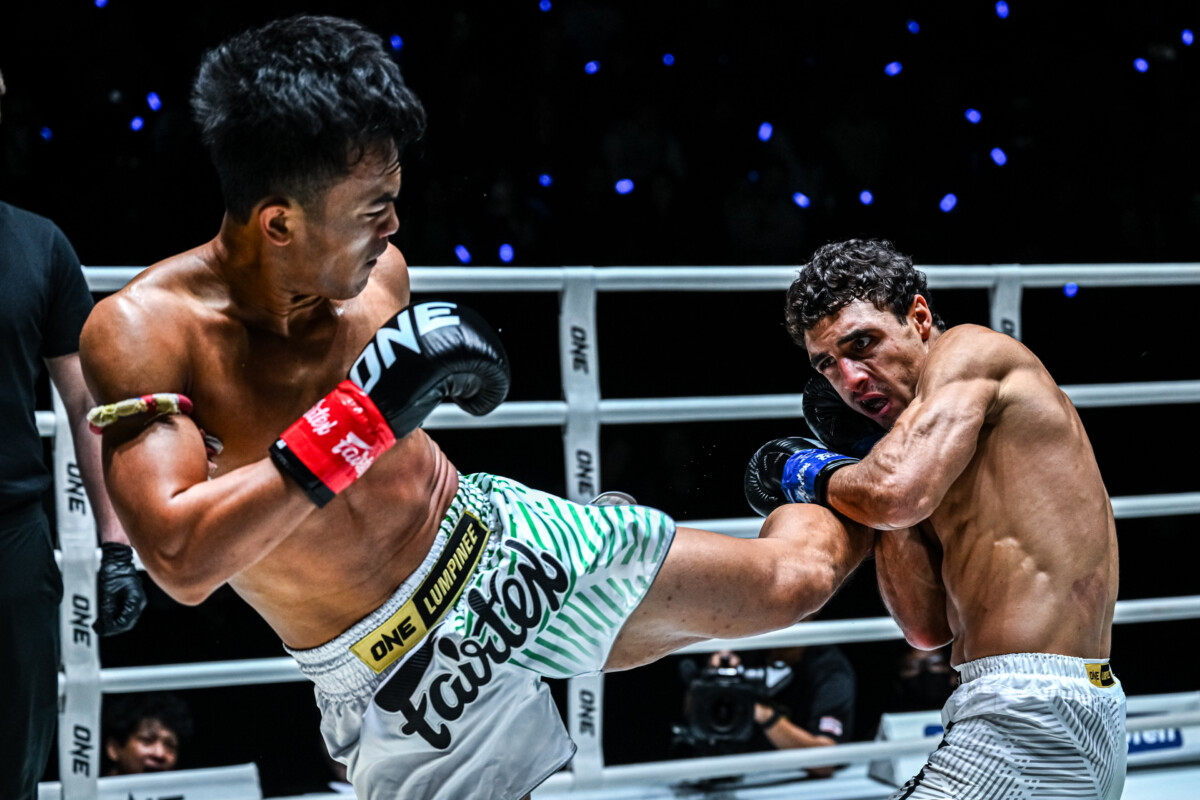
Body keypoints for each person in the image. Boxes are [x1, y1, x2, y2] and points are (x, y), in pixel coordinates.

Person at [78, 17, 870, 800]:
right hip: (394, 658)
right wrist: (358, 420)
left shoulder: (380, 279)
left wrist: (370, 415)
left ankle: (841, 468)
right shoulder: (149, 331)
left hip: (499, 539)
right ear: (279, 221)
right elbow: (180, 561)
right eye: (371, 209)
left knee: (793, 584)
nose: (393, 227)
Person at [745, 238, 1125, 799]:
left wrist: (805, 469)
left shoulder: (971, 351)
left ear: (919, 318)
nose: (849, 379)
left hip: (1027, 712)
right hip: (1041, 705)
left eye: (862, 344)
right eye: (826, 364)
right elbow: (924, 627)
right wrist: (866, 453)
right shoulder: (926, 454)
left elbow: (893, 495)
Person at [0, 66, 146, 800]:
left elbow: (89, 403)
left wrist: (117, 548)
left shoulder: (39, 245)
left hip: (11, 539)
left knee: (13, 768)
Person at [693, 645, 855, 778]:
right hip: (730, 771)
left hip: (794, 781)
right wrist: (712, 680)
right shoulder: (744, 647)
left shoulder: (830, 670)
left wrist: (764, 715)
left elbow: (824, 763)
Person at [102, 692, 193, 775]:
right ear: (114, 749)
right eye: (147, 741)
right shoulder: (94, 787)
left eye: (170, 746)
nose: (160, 753)